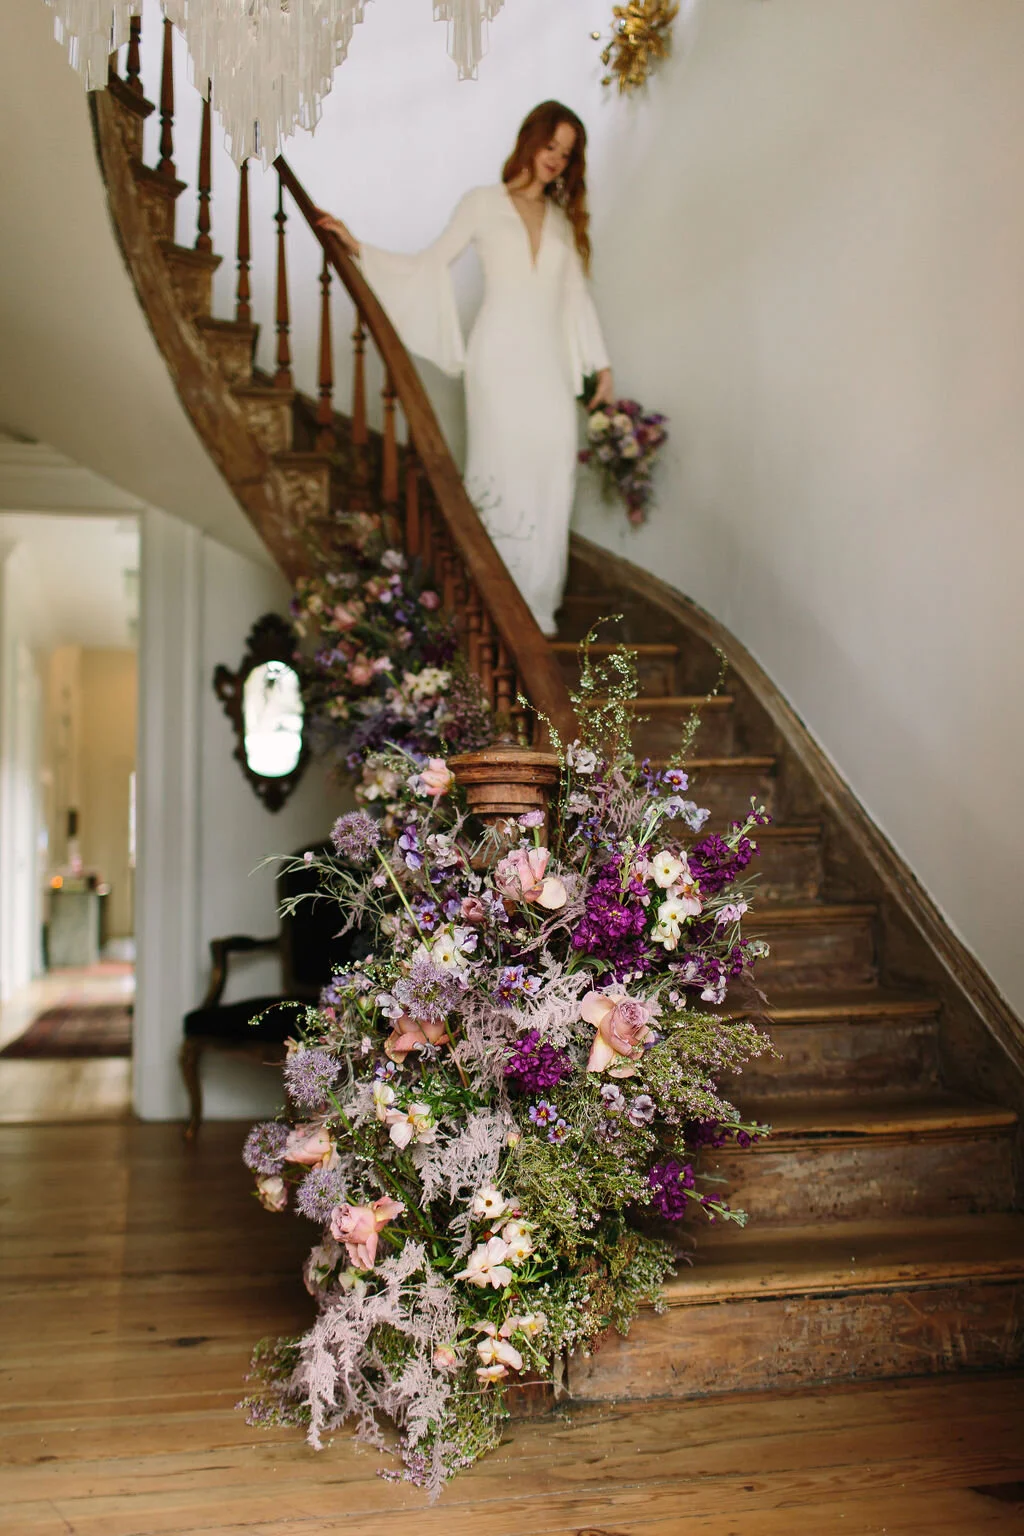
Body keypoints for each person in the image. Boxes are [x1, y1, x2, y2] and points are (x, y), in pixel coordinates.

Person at [316, 100, 613, 638]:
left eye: (566, 155)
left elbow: (576, 300)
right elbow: (431, 263)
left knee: (553, 472)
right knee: (499, 468)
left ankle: (538, 608)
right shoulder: (482, 203)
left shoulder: (564, 224)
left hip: (547, 365)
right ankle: (494, 598)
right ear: (530, 141)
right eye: (550, 146)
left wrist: (601, 366)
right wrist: (360, 249)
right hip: (497, 359)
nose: (555, 160)